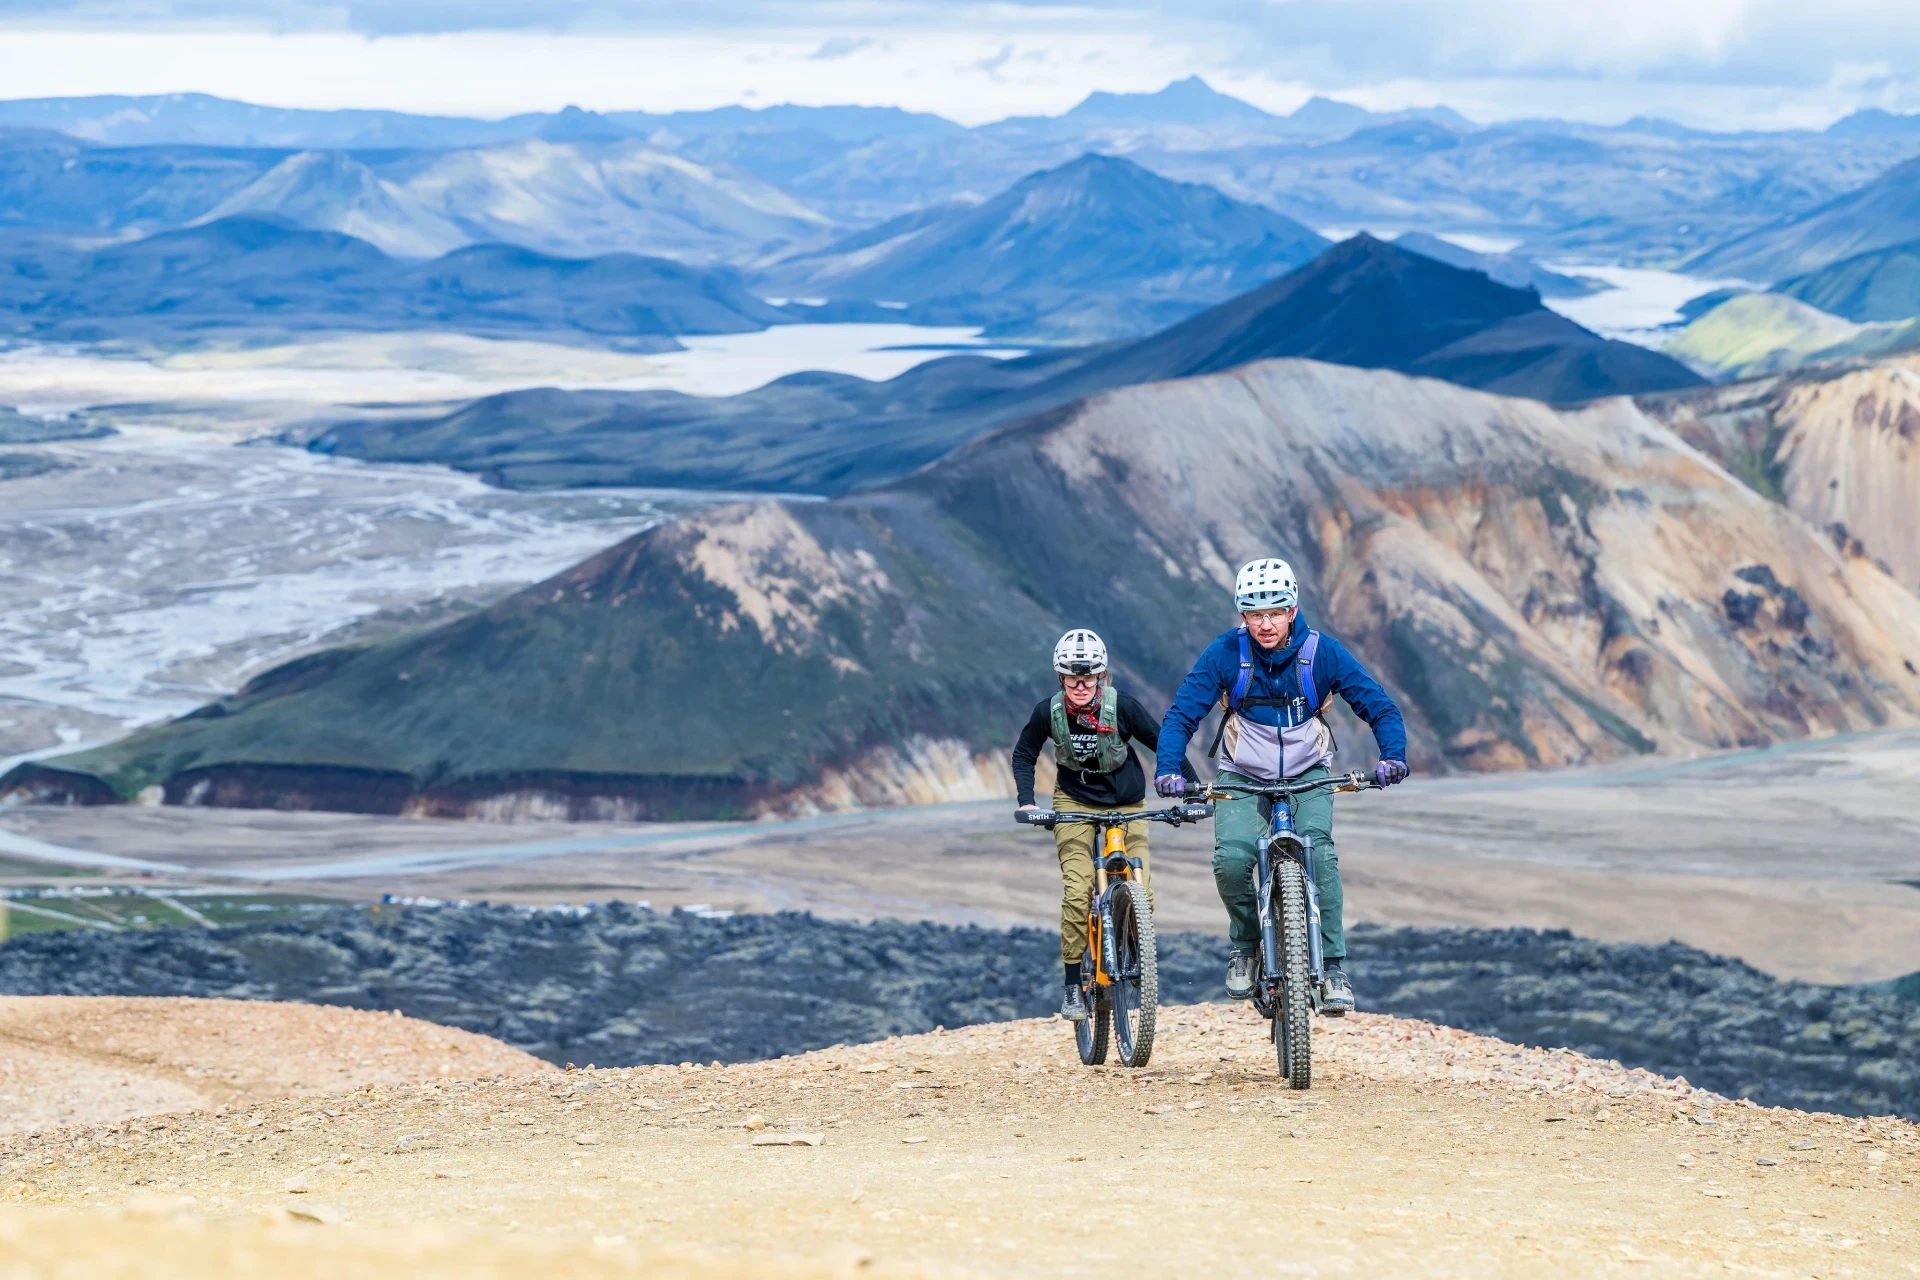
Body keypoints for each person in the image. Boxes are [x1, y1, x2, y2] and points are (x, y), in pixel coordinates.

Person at [1152, 558, 1409, 1014]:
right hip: (1243, 773)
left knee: (1320, 853)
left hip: (1309, 771)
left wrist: (1392, 756)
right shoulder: (1225, 654)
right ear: (1242, 615)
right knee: (1232, 859)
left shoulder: (1321, 653)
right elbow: (1181, 715)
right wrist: (1169, 767)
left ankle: (1331, 968)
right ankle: (1246, 946)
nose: (1265, 624)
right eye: (1254, 613)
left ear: (1292, 610)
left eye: (1275, 612)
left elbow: (1380, 707)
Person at [1012, 628, 1198, 1022]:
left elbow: (1162, 742)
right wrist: (1028, 802)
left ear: (1101, 676)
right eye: (1072, 676)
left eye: (1089, 676)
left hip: (1127, 801)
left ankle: (1134, 955)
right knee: (1079, 891)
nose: (1080, 684)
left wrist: (1193, 788)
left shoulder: (1123, 707)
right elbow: (1024, 754)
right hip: (1073, 803)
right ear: (1060, 677)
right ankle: (1070, 986)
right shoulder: (1048, 712)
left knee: (1141, 890)